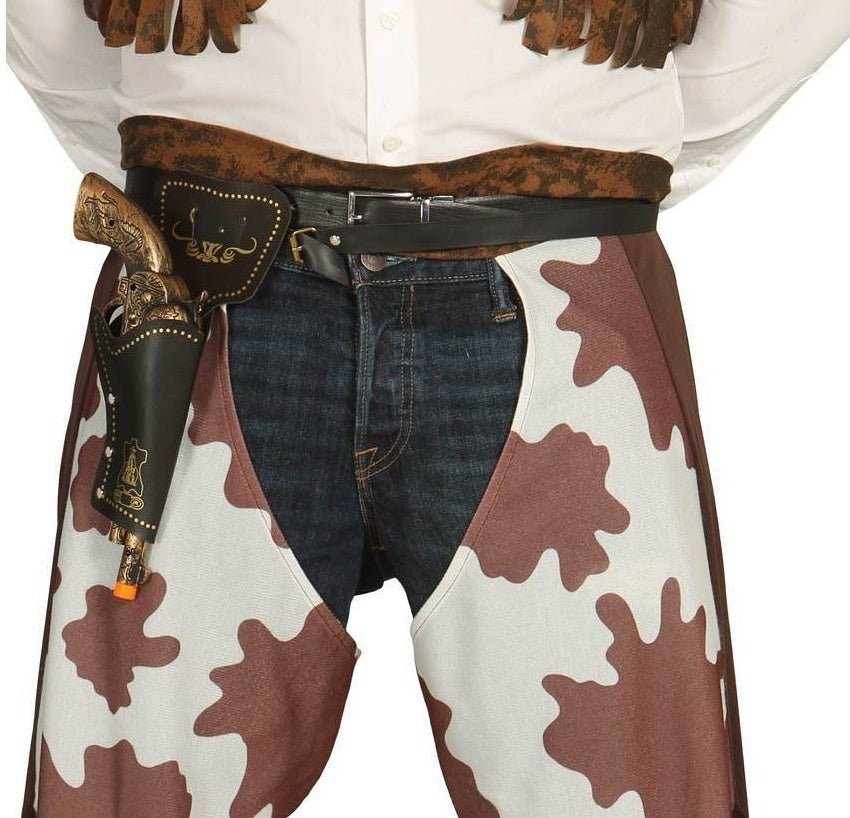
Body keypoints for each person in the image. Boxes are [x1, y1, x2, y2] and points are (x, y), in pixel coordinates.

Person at [6, 2, 849, 816]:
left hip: (561, 296)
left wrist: (612, 147)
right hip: (199, 292)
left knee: (639, 780)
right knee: (121, 788)